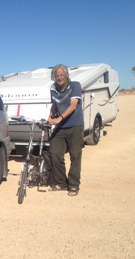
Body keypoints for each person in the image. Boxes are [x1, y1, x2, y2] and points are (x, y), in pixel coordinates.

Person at [48, 64, 84, 196]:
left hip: (75, 125)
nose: (59, 78)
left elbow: (73, 105)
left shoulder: (75, 85)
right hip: (60, 127)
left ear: (66, 75)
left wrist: (60, 118)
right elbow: (54, 104)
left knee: (75, 155)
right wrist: (50, 117)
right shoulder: (53, 88)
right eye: (57, 76)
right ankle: (62, 183)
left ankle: (74, 185)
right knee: (55, 152)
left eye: (61, 75)